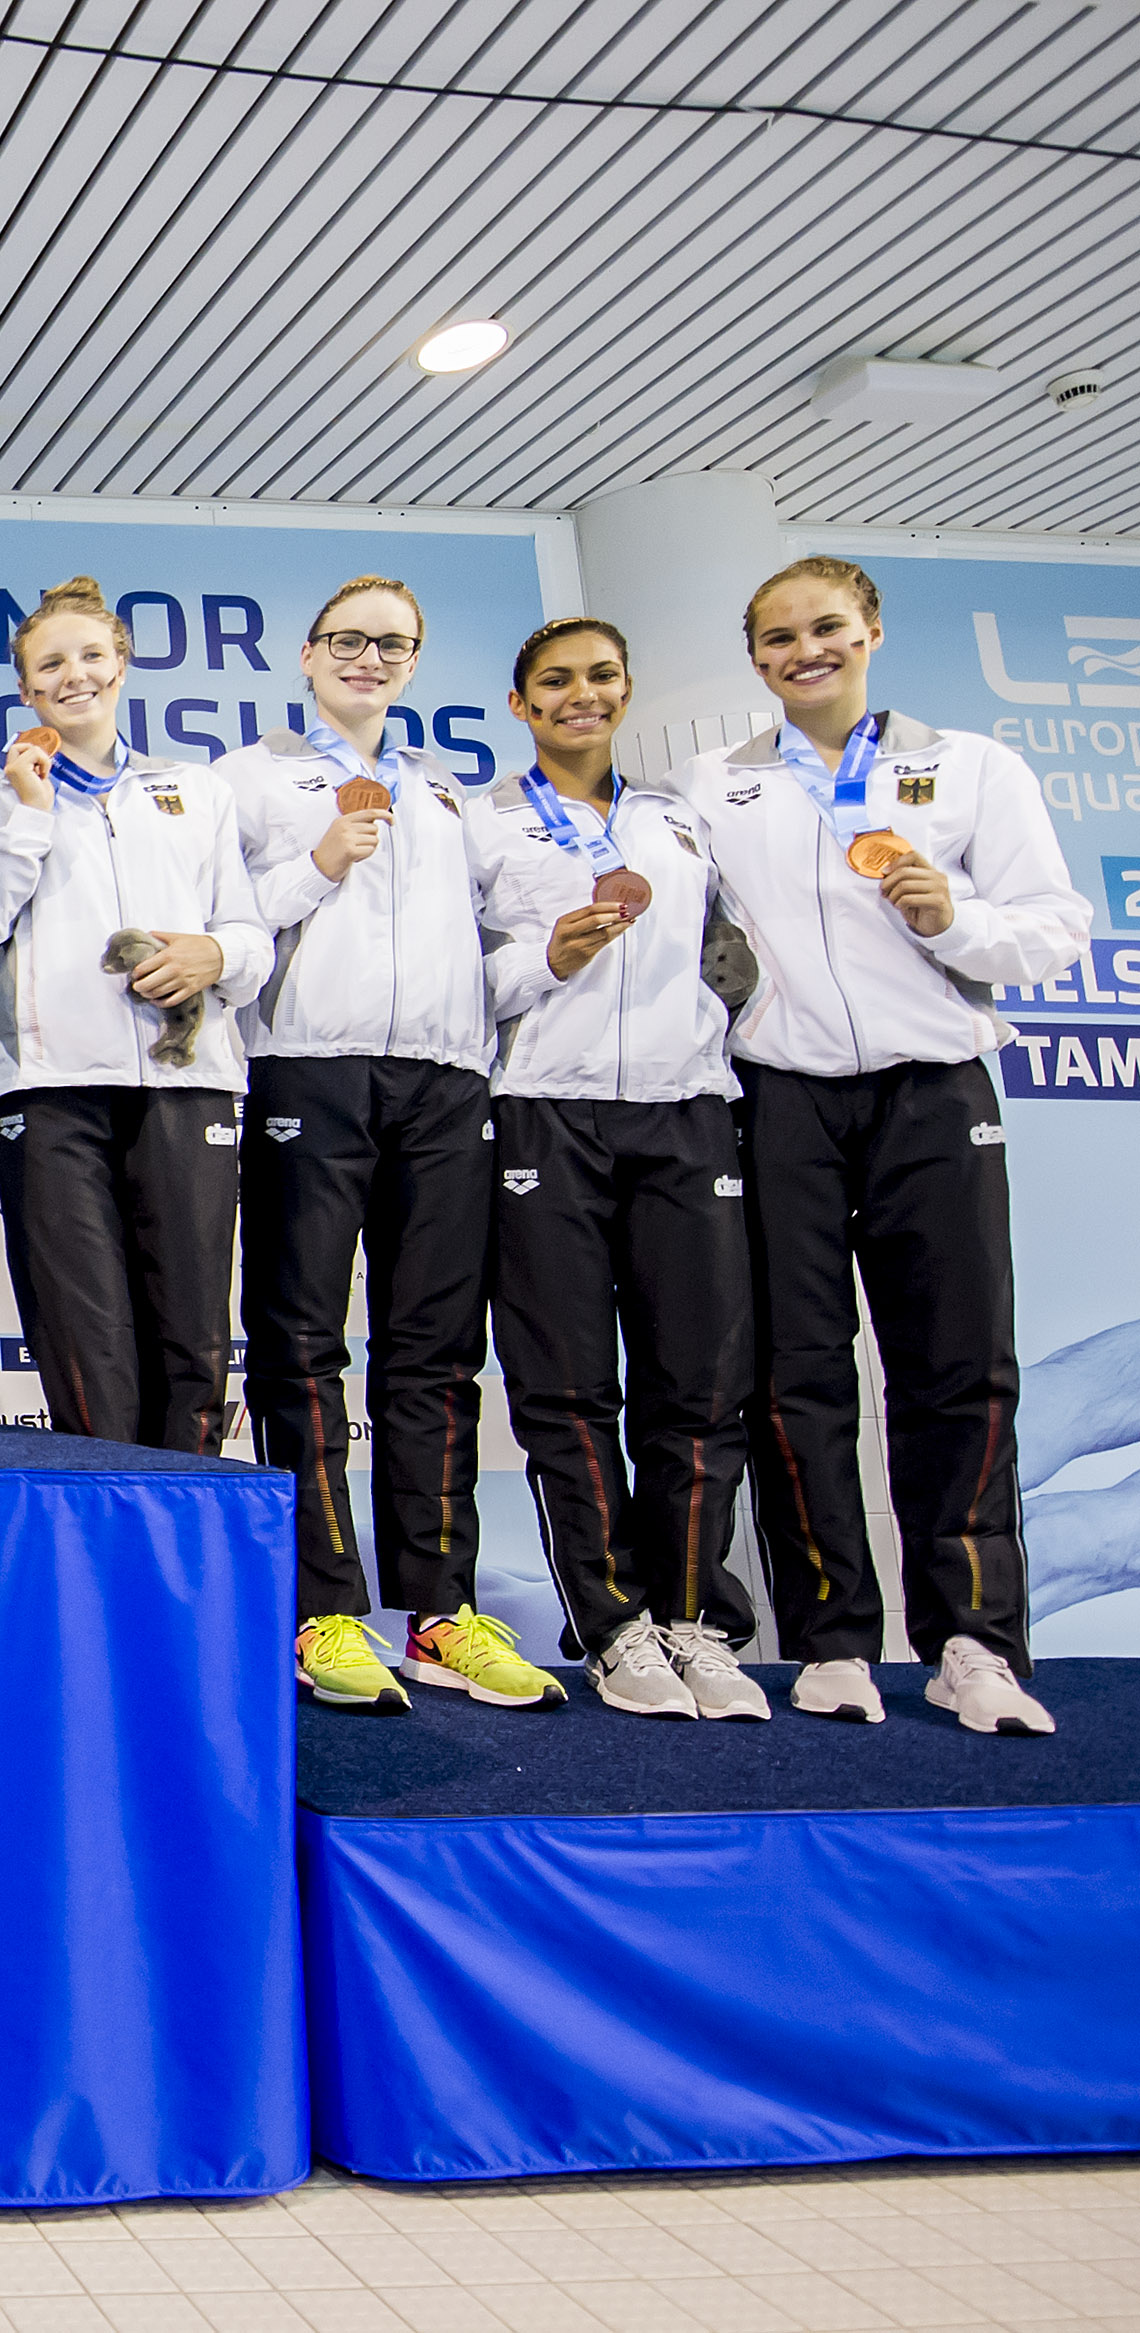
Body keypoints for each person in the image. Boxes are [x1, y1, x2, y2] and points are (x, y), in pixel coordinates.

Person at [675, 556, 1089, 1735]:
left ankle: (972, 1643)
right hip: (780, 1096)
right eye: (776, 637)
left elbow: (1054, 927)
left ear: (867, 631)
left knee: (957, 1366)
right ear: (752, 655)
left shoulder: (967, 766)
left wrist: (950, 916)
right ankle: (830, 1639)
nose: (802, 650)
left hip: (931, 1087)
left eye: (824, 628)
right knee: (793, 1374)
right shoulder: (713, 784)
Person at [217, 577, 548, 1714]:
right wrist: (317, 857)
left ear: (411, 664)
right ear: (306, 654)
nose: (368, 658)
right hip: (311, 1066)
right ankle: (322, 1607)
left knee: (436, 1355)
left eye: (392, 645)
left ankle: (439, 1611)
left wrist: (565, 952)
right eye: (349, 640)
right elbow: (225, 928)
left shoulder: (448, 795)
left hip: (449, 1082)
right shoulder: (244, 779)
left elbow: (484, 958)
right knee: (301, 1346)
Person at [472, 618, 768, 1720]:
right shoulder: (480, 820)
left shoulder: (679, 818)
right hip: (544, 1111)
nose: (579, 695)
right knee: (564, 1389)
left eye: (599, 677)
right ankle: (612, 1628)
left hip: (687, 1108)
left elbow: (743, 952)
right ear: (519, 702)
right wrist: (538, 959)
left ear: (625, 689)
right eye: (553, 680)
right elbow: (455, 982)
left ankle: (695, 1619)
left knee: (697, 1381)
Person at [0, 577, 265, 1453]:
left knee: (193, 1340)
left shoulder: (197, 790)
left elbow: (250, 937)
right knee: (86, 1343)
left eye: (90, 655)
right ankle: (110, 1555)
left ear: (122, 666)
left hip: (186, 1088)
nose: (73, 675)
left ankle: (189, 1556)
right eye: (50, 664)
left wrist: (215, 956)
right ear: (26, 690)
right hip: (52, 1093)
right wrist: (31, 820)